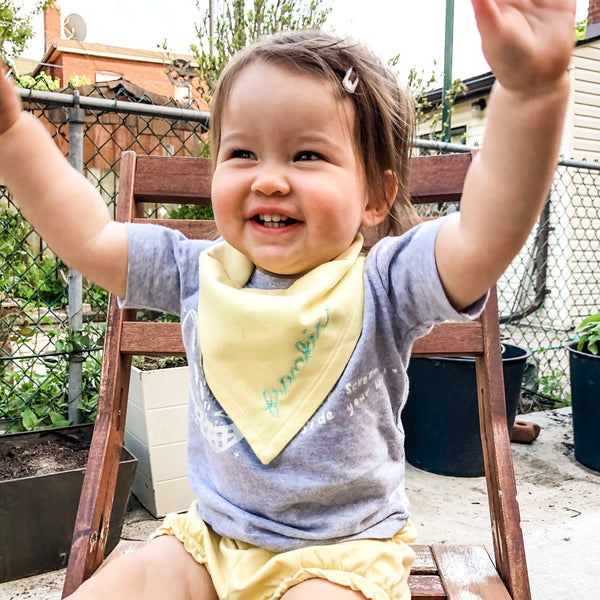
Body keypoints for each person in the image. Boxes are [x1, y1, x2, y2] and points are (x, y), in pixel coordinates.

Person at [0, 1, 575, 598]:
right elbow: (89, 237)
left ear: (375, 196)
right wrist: (12, 132)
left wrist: (531, 94)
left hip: (341, 558)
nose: (269, 178)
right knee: (117, 586)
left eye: (307, 155)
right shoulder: (194, 272)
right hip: (214, 541)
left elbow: (483, 238)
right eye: (242, 153)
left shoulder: (385, 284)